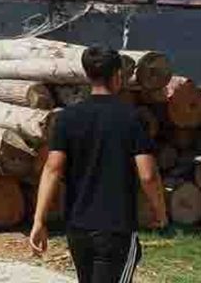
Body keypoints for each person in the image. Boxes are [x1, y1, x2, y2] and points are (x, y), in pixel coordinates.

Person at [30, 47, 168, 283]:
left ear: (87, 75)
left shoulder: (67, 118)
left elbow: (52, 169)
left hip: (77, 229)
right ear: (117, 76)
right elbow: (148, 175)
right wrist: (160, 212)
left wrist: (39, 221)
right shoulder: (131, 118)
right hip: (116, 230)